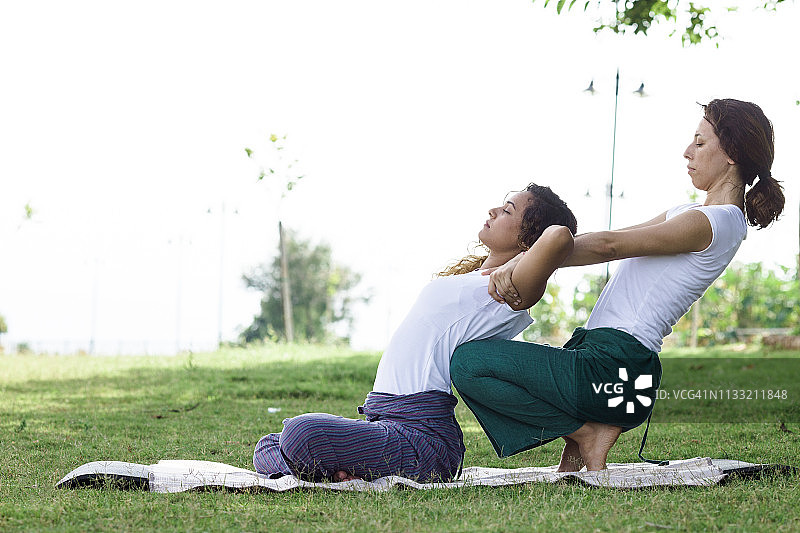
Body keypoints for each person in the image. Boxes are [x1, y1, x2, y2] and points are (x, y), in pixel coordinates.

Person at [450, 98, 786, 472]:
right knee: (477, 364)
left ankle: (586, 433)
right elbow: (604, 237)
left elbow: (610, 246)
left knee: (469, 362)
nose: (687, 151)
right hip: (608, 367)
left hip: (617, 371)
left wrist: (524, 259)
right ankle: (583, 436)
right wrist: (536, 253)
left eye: (700, 142)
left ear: (733, 154)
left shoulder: (718, 222)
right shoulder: (691, 213)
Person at [252, 183, 578, 482]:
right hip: (385, 422)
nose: (493, 211)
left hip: (422, 439)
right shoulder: (480, 276)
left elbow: (559, 237)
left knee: (300, 433)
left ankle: (326, 472)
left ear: (527, 238)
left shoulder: (511, 291)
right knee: (269, 442)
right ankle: (337, 475)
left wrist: (525, 257)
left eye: (508, 211)